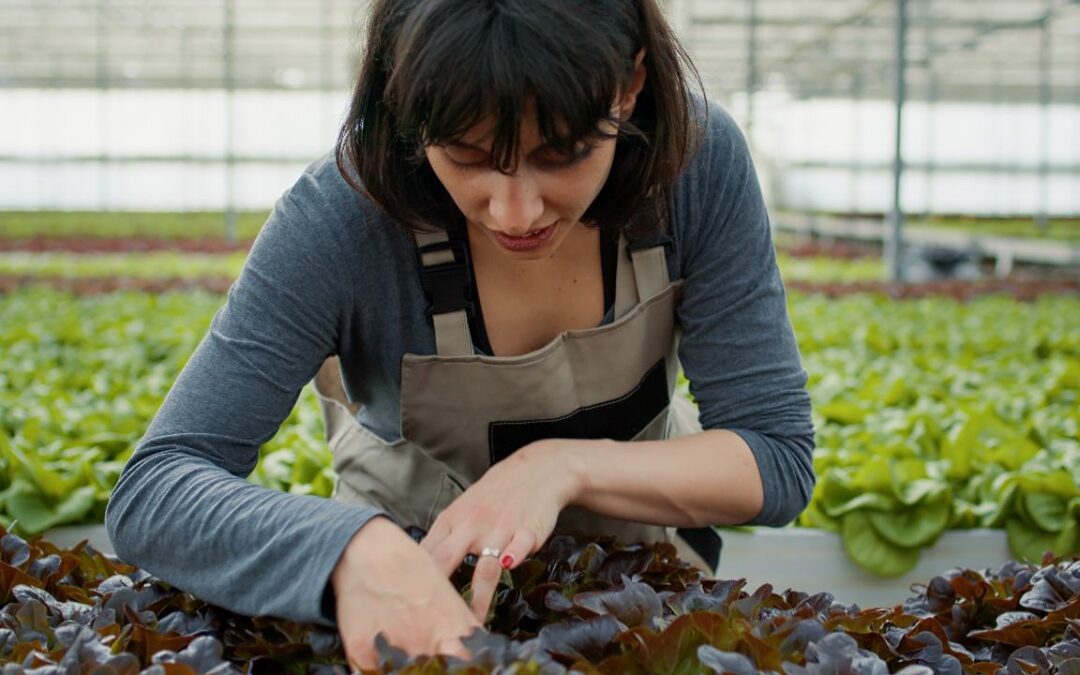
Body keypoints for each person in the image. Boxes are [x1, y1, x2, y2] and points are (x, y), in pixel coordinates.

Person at [105, 0, 816, 671]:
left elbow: (776, 457)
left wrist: (561, 466)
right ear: (406, 106)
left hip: (638, 600)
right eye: (469, 157)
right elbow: (156, 488)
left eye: (564, 152)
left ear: (629, 86)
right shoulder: (340, 220)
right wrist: (353, 549)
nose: (516, 210)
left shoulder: (693, 164)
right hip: (412, 613)